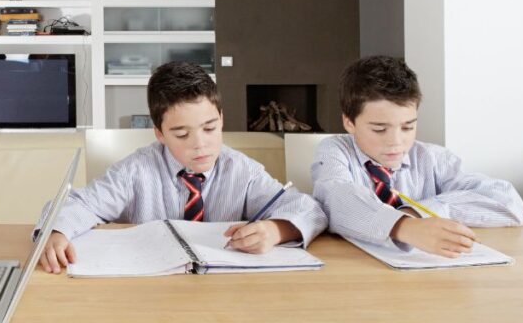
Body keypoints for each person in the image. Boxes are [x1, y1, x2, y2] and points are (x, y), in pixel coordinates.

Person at [36, 61, 327, 273]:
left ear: (222, 119)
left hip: (226, 293)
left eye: (210, 128)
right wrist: (57, 232)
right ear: (159, 133)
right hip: (153, 289)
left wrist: (277, 230)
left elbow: (309, 209)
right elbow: (74, 204)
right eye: (182, 134)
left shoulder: (243, 171)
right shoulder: (136, 170)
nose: (200, 144)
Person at [311, 55, 523, 258]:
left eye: (407, 127)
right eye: (379, 129)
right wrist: (403, 226)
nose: (396, 141)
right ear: (349, 122)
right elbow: (336, 199)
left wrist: (419, 212)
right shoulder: (336, 150)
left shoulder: (433, 158)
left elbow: (509, 203)